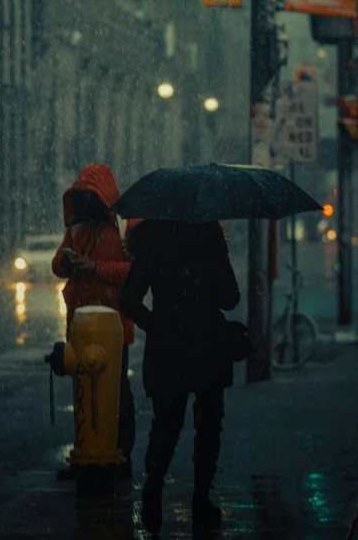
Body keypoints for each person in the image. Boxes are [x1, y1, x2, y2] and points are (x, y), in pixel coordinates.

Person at [119, 220, 240, 534]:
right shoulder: (210, 240)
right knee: (209, 423)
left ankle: (154, 487)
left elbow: (129, 299)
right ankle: (201, 500)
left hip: (167, 349)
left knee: (166, 424)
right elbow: (231, 298)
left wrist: (159, 325)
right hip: (207, 346)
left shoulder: (152, 243)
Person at [52, 163, 138, 480]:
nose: (85, 204)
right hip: (81, 323)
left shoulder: (126, 227)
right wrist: (67, 261)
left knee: (117, 391)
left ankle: (121, 455)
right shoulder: (77, 229)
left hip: (113, 326)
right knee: (83, 388)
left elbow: (134, 272)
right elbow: (57, 262)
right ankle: (87, 451)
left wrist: (95, 267)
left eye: (91, 197)